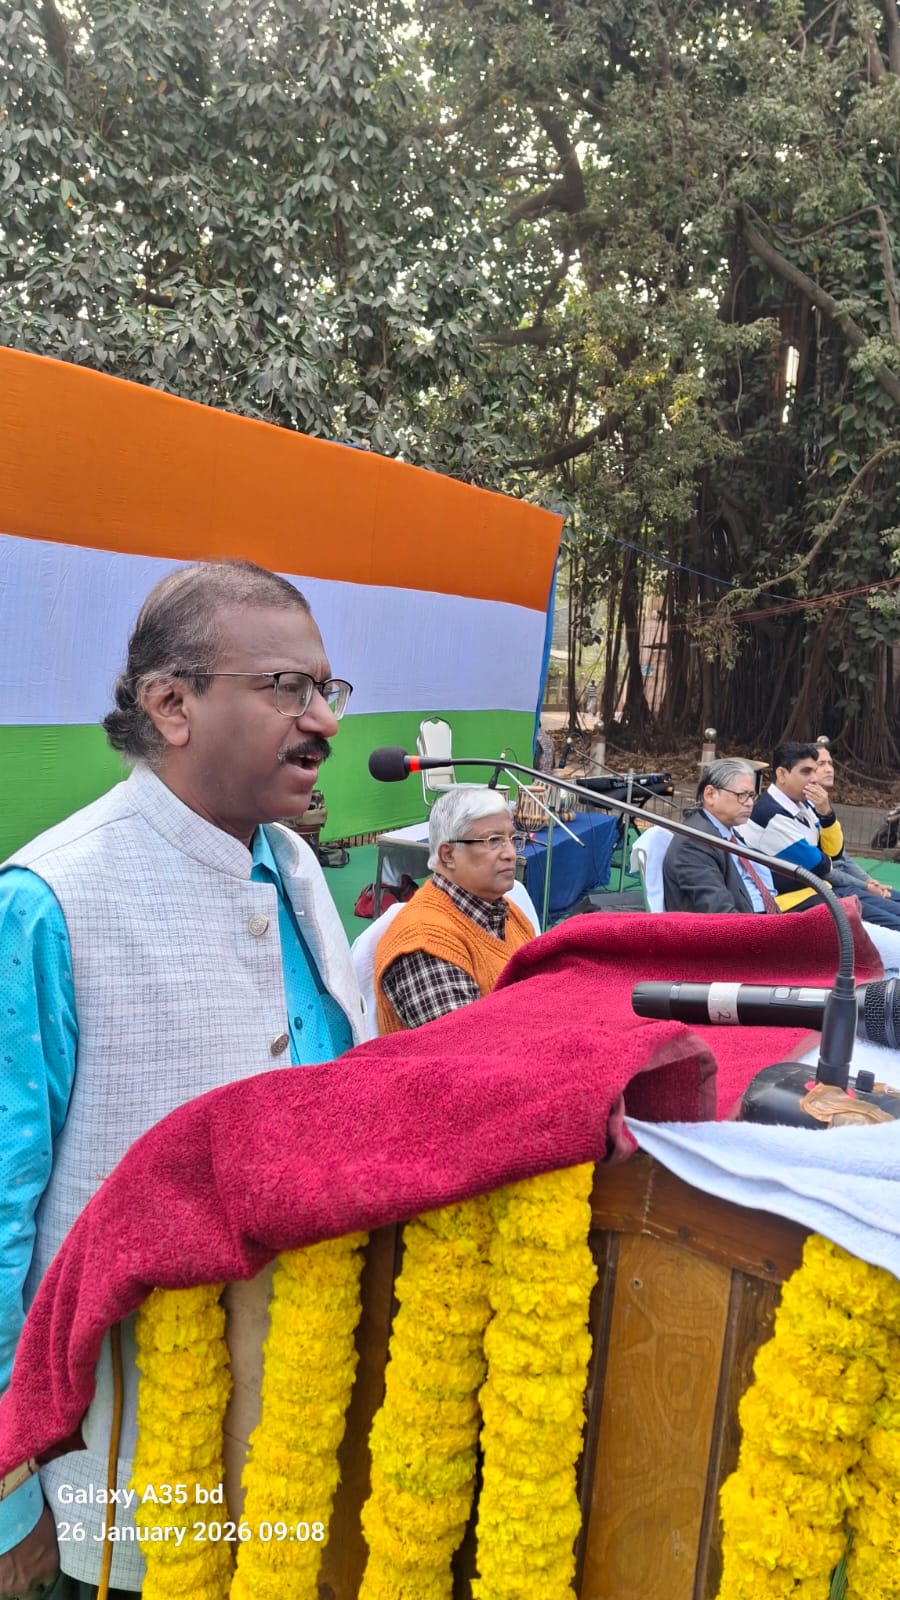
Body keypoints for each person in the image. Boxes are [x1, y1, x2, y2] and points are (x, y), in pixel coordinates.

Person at [0, 560, 367, 1599]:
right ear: (172, 705)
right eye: (286, 688)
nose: (322, 721)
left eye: (327, 690)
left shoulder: (294, 865)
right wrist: (9, 1500)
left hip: (301, 1420)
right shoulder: (49, 900)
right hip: (116, 1467)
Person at [375, 789, 537, 1032]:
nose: (511, 854)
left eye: (512, 839)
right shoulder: (425, 943)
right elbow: (465, 1046)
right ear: (448, 855)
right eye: (493, 841)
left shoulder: (506, 911)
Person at [662, 759, 779, 914]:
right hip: (741, 924)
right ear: (710, 795)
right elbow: (721, 913)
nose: (750, 803)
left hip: (762, 916)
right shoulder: (694, 844)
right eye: (742, 795)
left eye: (751, 795)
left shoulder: (727, 831)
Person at [813, 745, 900, 928]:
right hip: (833, 889)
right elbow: (824, 870)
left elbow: (844, 858)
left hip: (850, 884)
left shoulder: (824, 807)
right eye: (821, 764)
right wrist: (866, 887)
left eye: (830, 763)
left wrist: (869, 882)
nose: (829, 769)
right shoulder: (802, 813)